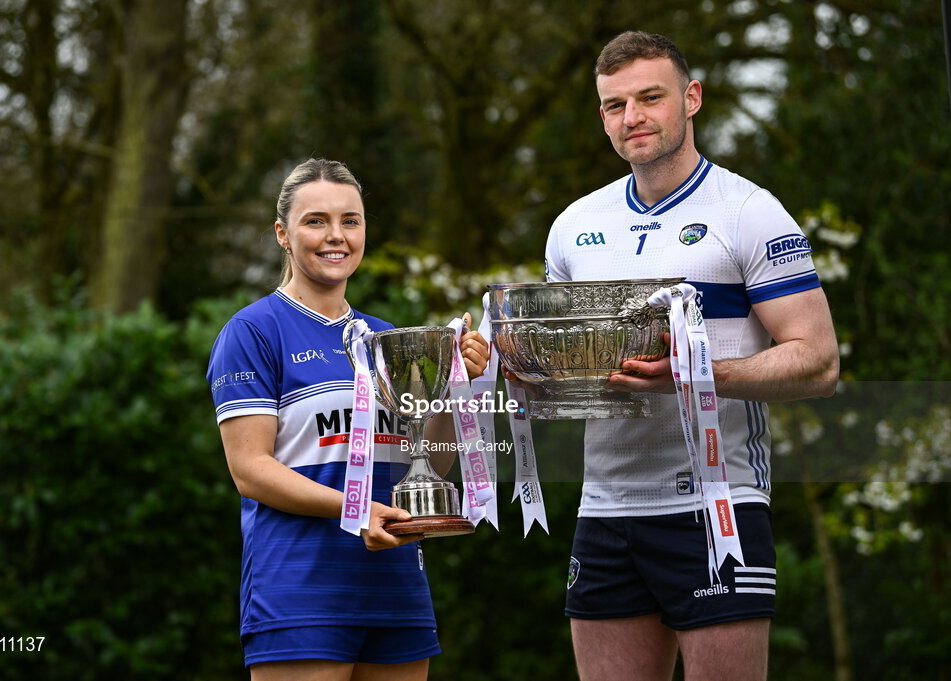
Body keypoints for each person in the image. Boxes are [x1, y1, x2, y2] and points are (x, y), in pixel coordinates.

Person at [542, 32, 840, 681]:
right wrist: (520, 370)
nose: (633, 117)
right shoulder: (572, 226)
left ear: (691, 97)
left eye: (650, 97)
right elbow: (562, 364)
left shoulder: (748, 212)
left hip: (716, 506)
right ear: (602, 116)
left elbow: (817, 360)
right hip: (605, 508)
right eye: (615, 104)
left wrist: (700, 375)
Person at [206, 158, 489, 681]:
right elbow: (249, 468)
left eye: (350, 221)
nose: (336, 236)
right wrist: (357, 511)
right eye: (316, 221)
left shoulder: (388, 337)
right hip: (301, 590)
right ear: (282, 235)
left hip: (396, 583)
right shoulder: (253, 332)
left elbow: (431, 465)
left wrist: (456, 386)